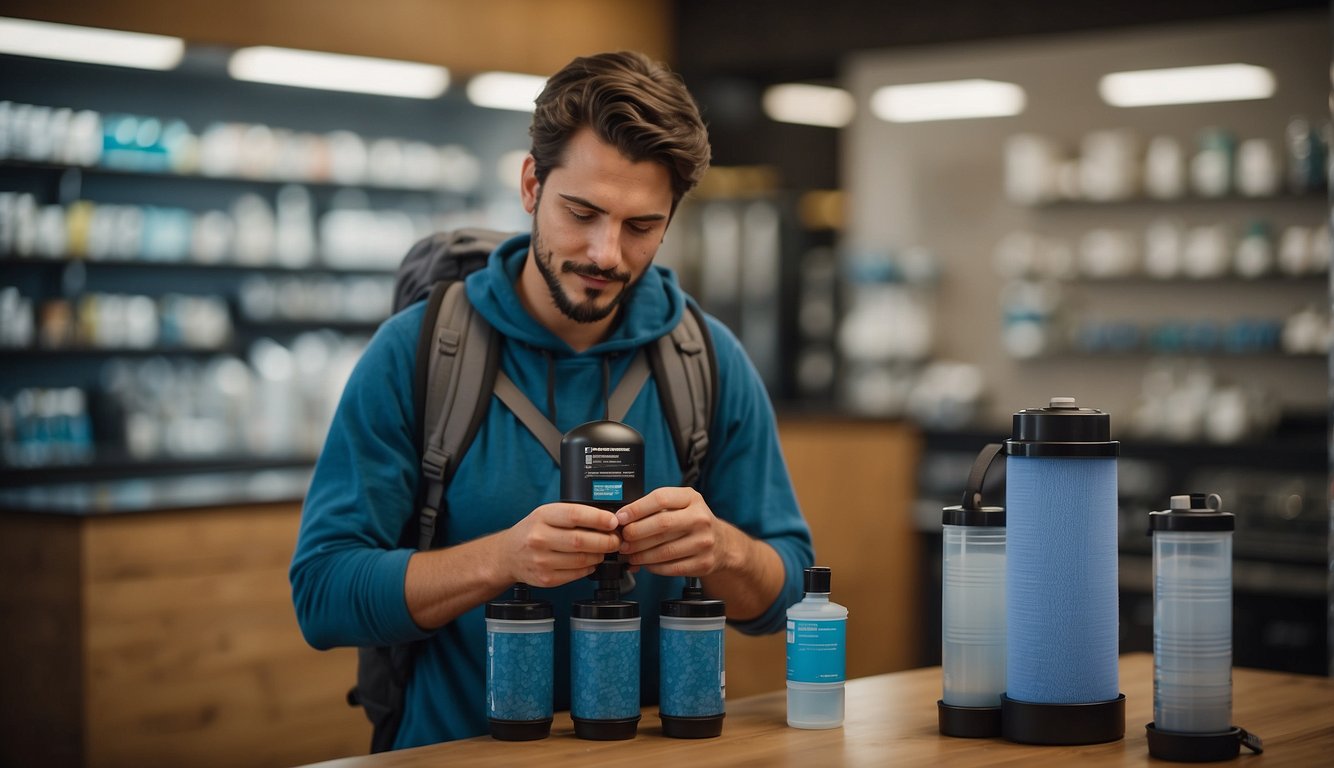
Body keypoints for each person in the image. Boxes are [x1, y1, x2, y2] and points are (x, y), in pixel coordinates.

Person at [290, 50, 814, 750]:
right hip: (452, 758)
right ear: (532, 184)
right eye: (583, 212)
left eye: (640, 226)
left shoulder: (707, 360)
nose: (606, 254)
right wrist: (501, 560)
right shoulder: (418, 352)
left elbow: (787, 595)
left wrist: (723, 550)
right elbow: (323, 596)